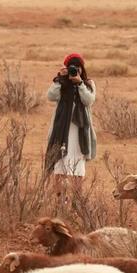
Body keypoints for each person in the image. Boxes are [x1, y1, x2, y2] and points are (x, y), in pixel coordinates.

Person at [45, 53, 96, 198]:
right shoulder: (62, 84)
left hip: (79, 133)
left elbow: (88, 100)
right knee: (59, 167)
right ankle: (59, 202)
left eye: (78, 67)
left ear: (82, 69)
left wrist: (80, 84)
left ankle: (77, 203)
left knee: (78, 169)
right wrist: (59, 79)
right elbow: (50, 96)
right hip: (61, 132)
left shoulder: (88, 84)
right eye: (72, 67)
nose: (75, 70)